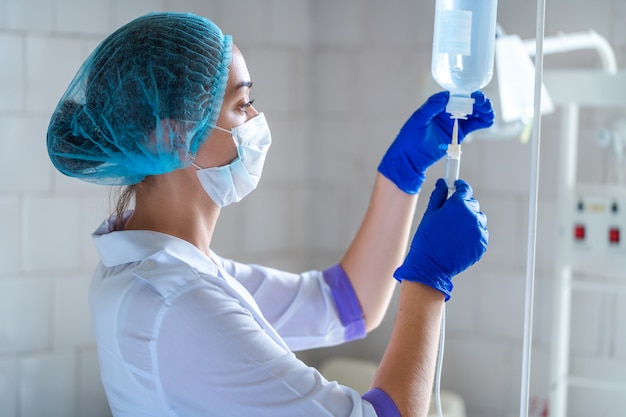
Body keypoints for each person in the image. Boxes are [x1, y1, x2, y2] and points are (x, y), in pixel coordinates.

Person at [46, 12, 494, 417]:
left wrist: (403, 173)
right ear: (172, 140)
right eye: (242, 105)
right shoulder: (176, 303)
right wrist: (429, 279)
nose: (258, 118)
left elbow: (345, 302)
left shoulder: (166, 269)